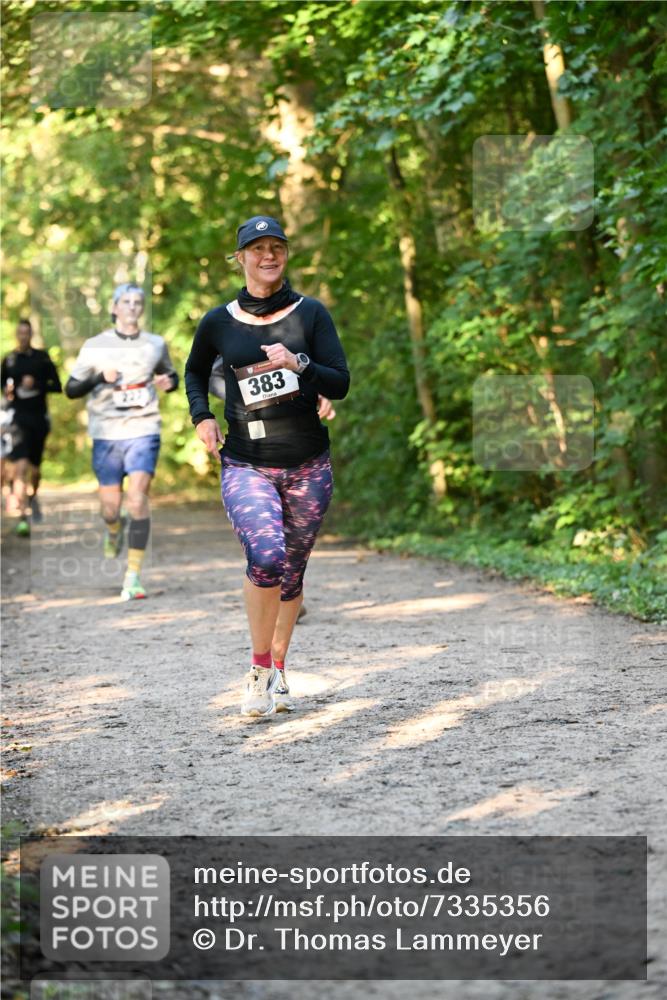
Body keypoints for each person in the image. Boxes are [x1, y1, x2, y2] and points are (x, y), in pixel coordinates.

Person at [185, 215, 350, 718]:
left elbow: (339, 381)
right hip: (246, 463)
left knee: (293, 574)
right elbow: (194, 372)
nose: (268, 255)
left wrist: (299, 365)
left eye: (276, 246)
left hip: (307, 464)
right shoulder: (218, 321)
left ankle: (279, 666)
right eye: (256, 248)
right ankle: (257, 670)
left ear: (285, 255)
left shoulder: (311, 314)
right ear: (241, 259)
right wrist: (202, 418)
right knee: (267, 557)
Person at [64, 283, 178, 600]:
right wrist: (100, 377)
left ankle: (133, 576)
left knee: (138, 499)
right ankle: (113, 530)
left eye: (137, 302)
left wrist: (169, 382)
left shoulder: (155, 344)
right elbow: (70, 389)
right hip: (106, 434)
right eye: (125, 301)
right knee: (111, 509)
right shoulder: (95, 346)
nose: (132, 306)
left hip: (144, 429)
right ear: (114, 308)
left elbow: (171, 376)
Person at [1, 318, 62, 535]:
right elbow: (3, 386)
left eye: (27, 332)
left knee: (34, 470)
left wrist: (36, 384)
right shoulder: (9, 360)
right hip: (18, 419)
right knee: (20, 467)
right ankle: (22, 517)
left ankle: (33, 496)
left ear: (31, 334)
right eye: (20, 333)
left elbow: (57, 386)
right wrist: (9, 392)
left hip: (38, 419)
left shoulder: (42, 358)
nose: (23, 336)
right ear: (17, 335)